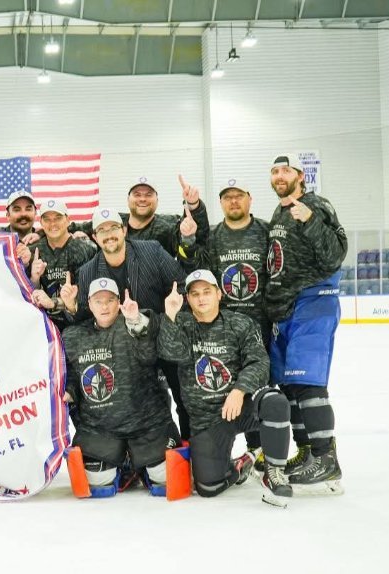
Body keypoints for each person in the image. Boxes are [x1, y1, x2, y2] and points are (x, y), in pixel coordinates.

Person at [158, 270, 293, 507]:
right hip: (207, 419)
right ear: (187, 299)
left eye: (207, 292)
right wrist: (170, 314)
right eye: (195, 294)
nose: (202, 298)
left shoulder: (240, 323)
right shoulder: (180, 324)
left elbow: (260, 362)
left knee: (275, 402)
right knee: (208, 487)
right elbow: (171, 353)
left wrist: (239, 390)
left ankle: (275, 473)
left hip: (241, 406)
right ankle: (241, 465)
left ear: (219, 294)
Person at [64, 207, 191, 439]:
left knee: (183, 397)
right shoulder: (87, 271)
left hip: (160, 335)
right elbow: (84, 317)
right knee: (131, 405)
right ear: (94, 237)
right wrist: (71, 306)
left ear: (123, 230)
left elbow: (180, 285)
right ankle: (129, 456)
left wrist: (169, 320)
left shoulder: (151, 251)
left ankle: (186, 448)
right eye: (102, 230)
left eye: (113, 227)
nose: (109, 234)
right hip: (123, 351)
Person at [265, 153, 347, 494]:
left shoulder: (317, 204)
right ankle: (307, 452)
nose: (280, 176)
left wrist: (311, 219)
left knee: (309, 382)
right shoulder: (280, 210)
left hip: (313, 302)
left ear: (300, 175)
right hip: (286, 309)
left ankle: (327, 459)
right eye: (275, 171)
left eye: (286, 170)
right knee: (290, 385)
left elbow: (335, 254)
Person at [59, 278, 179, 492]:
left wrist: (135, 320)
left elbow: (150, 354)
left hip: (146, 423)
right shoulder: (73, 335)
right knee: (97, 482)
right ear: (89, 304)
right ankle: (125, 463)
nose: (104, 306)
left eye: (110, 300)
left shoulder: (134, 323)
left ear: (118, 303)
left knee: (164, 477)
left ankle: (141, 463)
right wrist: (68, 391)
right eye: (98, 301)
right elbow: (73, 377)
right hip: (100, 427)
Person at [201, 179, 271, 469]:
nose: (233, 202)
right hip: (227, 333)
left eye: (238, 196)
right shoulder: (214, 236)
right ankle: (238, 446)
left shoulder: (266, 232)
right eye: (227, 197)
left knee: (262, 391)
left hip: (262, 327)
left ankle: (262, 450)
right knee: (231, 392)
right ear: (221, 203)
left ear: (249, 199)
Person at [75, 175, 209, 273]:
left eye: (148, 194)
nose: (143, 199)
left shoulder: (168, 225)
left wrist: (193, 205)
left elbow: (196, 233)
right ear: (128, 199)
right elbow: (72, 228)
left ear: (157, 199)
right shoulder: (113, 221)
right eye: (137, 194)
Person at [27, 199, 96, 332]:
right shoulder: (32, 251)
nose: (52, 223)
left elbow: (89, 297)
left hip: (78, 325)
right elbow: (25, 295)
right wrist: (34, 278)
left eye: (58, 218)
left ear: (68, 220)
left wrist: (55, 303)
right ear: (41, 222)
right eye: (47, 219)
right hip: (42, 326)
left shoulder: (85, 250)